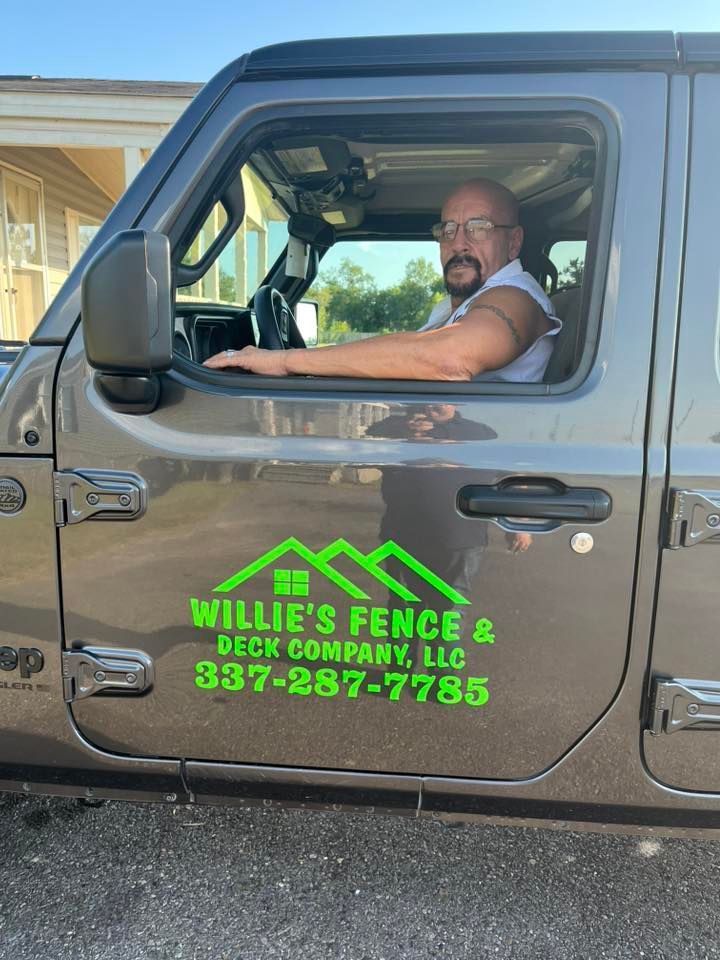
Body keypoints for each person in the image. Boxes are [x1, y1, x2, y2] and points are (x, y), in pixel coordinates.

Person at [204, 178, 561, 381]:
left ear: (513, 241)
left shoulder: (516, 299)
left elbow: (450, 358)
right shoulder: (465, 306)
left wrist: (283, 360)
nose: (458, 242)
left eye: (478, 228)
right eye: (448, 229)